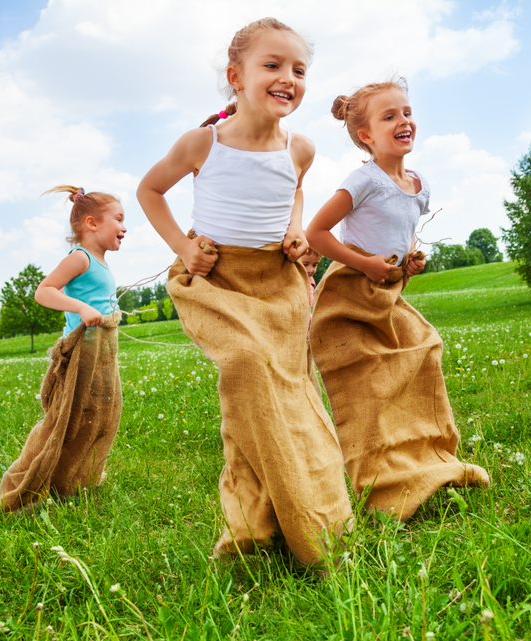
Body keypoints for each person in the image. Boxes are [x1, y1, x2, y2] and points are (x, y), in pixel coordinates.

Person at [137, 17, 352, 565]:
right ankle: (273, 520)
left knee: (285, 397)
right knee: (246, 364)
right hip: (216, 280)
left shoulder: (299, 149)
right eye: (273, 65)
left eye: (299, 70)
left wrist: (296, 230)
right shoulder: (203, 143)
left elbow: (295, 193)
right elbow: (150, 190)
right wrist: (184, 251)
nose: (288, 78)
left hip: (277, 285)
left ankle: (287, 518)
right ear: (237, 76)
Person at [306, 80, 490, 522]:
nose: (403, 121)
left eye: (406, 112)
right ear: (366, 136)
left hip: (388, 290)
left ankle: (432, 463)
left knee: (423, 352)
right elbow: (317, 233)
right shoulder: (362, 180)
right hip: (351, 293)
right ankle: (381, 484)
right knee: (370, 382)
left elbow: (400, 232)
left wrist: (409, 262)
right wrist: (365, 264)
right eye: (389, 117)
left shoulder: (418, 184)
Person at [0, 185, 126, 513]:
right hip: (81, 352)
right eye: (119, 219)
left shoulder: (100, 262)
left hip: (102, 353)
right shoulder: (80, 258)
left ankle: (76, 479)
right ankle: (21, 491)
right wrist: (81, 308)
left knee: (99, 416)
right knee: (65, 419)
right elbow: (44, 291)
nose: (125, 228)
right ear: (92, 223)